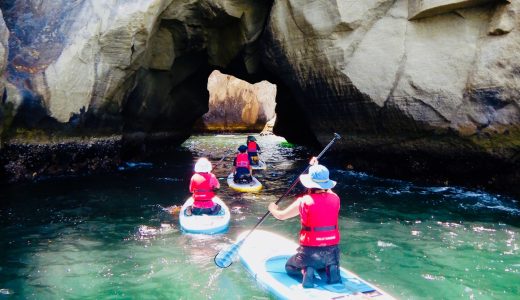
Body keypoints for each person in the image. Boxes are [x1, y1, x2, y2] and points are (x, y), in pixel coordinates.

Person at [268, 157, 341, 288]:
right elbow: (327, 190)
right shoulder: (335, 198)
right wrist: (316, 167)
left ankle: (307, 270)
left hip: (309, 253)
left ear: (309, 184)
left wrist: (272, 208)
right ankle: (331, 268)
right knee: (325, 262)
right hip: (332, 253)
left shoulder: (304, 201)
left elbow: (281, 216)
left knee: (289, 266)